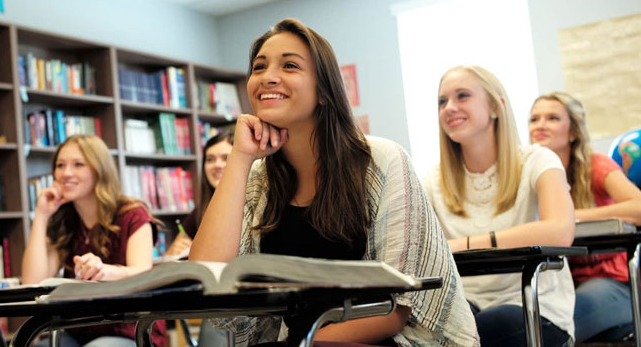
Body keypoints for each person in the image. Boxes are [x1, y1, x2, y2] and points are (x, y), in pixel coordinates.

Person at [190, 18, 479, 346]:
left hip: (387, 339)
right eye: (259, 67)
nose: (268, 76)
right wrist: (240, 158)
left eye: (289, 65)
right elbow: (207, 275)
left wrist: (306, 342)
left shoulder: (381, 161)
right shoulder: (260, 176)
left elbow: (400, 306)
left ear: (324, 91)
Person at [422, 66, 576, 347]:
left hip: (533, 303)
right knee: (427, 333)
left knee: (477, 332)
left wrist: (465, 243)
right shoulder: (431, 180)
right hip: (465, 302)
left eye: (463, 96)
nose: (449, 108)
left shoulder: (538, 160)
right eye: (442, 101)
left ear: (495, 106)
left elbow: (560, 231)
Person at [529, 92, 641, 342]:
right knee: (520, 317)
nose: (540, 125)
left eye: (552, 118)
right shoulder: (528, 173)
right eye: (534, 119)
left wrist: (569, 216)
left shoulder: (594, 165)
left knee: (547, 327)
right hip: (558, 283)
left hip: (611, 283)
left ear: (573, 132)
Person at [21, 134, 166, 347]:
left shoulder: (133, 213)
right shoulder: (64, 221)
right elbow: (32, 281)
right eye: (60, 165)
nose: (66, 173)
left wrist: (105, 272)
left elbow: (143, 274)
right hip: (79, 330)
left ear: (100, 170)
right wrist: (41, 215)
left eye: (78, 164)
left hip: (132, 329)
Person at [165, 131, 234, 257]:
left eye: (226, 158)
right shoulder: (201, 209)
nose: (217, 165)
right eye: (210, 159)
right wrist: (175, 250)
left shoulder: (258, 203)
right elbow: (169, 255)